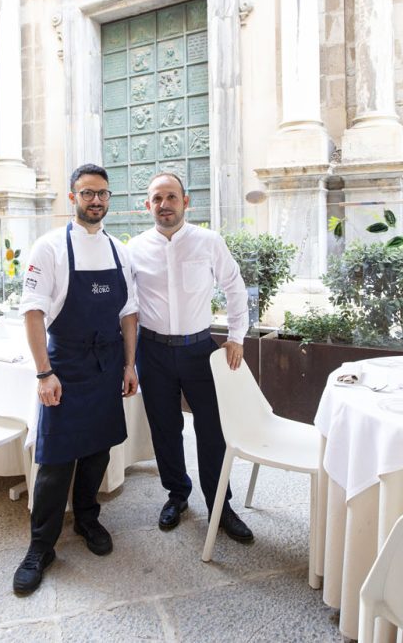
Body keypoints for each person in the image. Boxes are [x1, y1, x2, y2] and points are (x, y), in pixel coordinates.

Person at [12, 163, 139, 596]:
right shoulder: (49, 247)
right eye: (87, 193)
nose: (95, 200)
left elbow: (128, 314)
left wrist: (129, 365)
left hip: (107, 365)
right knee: (55, 460)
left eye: (102, 193)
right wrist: (43, 372)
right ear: (72, 198)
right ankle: (40, 547)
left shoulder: (119, 251)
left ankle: (87, 518)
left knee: (98, 450)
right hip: (64, 366)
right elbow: (33, 312)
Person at [129, 172, 254, 543]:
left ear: (186, 201)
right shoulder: (135, 248)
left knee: (212, 430)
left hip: (200, 351)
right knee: (165, 427)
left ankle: (220, 504)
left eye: (171, 197)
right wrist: (128, 360)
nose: (164, 204)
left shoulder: (208, 241)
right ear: (147, 205)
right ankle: (177, 493)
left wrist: (236, 337)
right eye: (157, 198)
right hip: (152, 352)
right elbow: (127, 306)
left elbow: (235, 287)